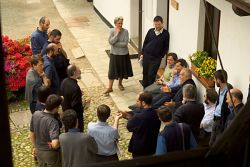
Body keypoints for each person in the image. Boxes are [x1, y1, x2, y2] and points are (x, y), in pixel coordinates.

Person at [119, 92, 161, 157]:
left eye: (138, 101)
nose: (136, 103)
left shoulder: (139, 117)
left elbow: (129, 127)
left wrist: (129, 117)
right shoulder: (155, 113)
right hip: (152, 145)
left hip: (140, 148)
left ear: (143, 103)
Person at [30, 94, 62, 167]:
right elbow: (55, 144)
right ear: (55, 108)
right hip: (50, 154)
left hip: (39, 151)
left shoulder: (35, 114)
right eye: (58, 107)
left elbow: (31, 134)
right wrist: (60, 142)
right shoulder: (53, 122)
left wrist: (35, 147)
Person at [104, 16, 133, 95]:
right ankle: (110, 87)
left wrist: (115, 44)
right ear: (115, 23)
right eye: (118, 23)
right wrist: (117, 34)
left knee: (122, 70)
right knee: (112, 71)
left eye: (121, 23)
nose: (120, 25)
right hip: (114, 54)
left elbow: (125, 44)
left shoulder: (126, 31)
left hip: (123, 54)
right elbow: (110, 42)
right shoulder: (112, 31)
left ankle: (120, 83)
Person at [141, 16, 170, 88]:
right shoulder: (150, 31)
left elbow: (166, 47)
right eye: (155, 24)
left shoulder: (166, 34)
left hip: (156, 58)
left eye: (159, 24)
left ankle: (150, 90)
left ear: (162, 23)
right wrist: (142, 53)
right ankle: (145, 89)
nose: (157, 26)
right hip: (146, 56)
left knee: (151, 74)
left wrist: (161, 56)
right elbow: (145, 42)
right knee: (145, 73)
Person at [209, 69, 232, 146]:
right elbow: (219, 103)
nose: (214, 80)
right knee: (211, 143)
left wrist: (223, 124)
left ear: (218, 80)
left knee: (217, 145)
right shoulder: (220, 89)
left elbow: (228, 109)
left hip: (221, 121)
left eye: (214, 79)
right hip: (216, 119)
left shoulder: (229, 90)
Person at [60, 64, 85, 132]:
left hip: (66, 114)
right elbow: (76, 106)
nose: (80, 71)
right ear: (74, 73)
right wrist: (84, 104)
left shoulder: (64, 81)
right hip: (75, 118)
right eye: (79, 70)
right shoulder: (75, 87)